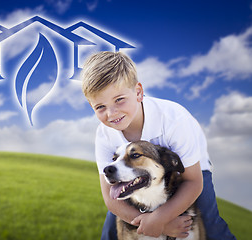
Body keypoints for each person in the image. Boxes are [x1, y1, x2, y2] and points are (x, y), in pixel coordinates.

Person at [81, 51, 236, 240]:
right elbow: (110, 199)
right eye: (100, 107)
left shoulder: (174, 120)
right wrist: (158, 225)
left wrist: (160, 218)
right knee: (111, 230)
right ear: (92, 106)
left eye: (119, 100)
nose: (111, 113)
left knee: (210, 223)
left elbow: (193, 182)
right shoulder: (104, 134)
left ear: (138, 92)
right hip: (130, 175)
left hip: (189, 170)